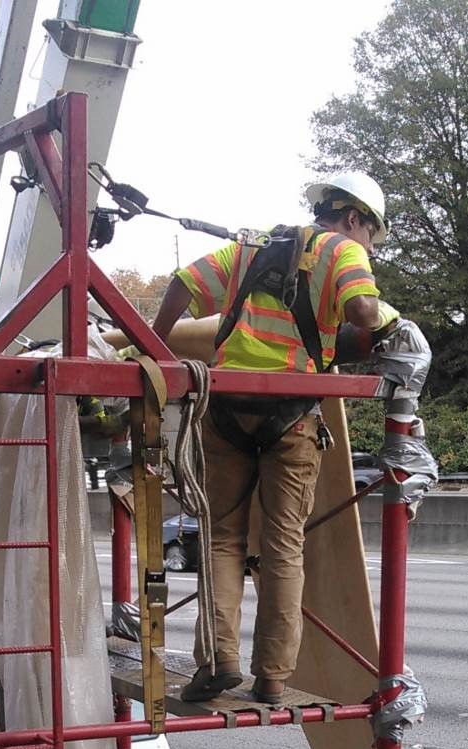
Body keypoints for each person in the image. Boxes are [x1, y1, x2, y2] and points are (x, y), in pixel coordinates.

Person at [152, 172, 398, 705]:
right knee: (283, 545)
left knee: (221, 539)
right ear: (355, 217)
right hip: (291, 415)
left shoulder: (254, 245)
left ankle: (218, 662)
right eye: (372, 235)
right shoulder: (344, 252)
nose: (370, 247)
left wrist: (157, 350)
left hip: (228, 408)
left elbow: (183, 284)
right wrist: (385, 313)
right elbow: (361, 312)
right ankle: (273, 678)